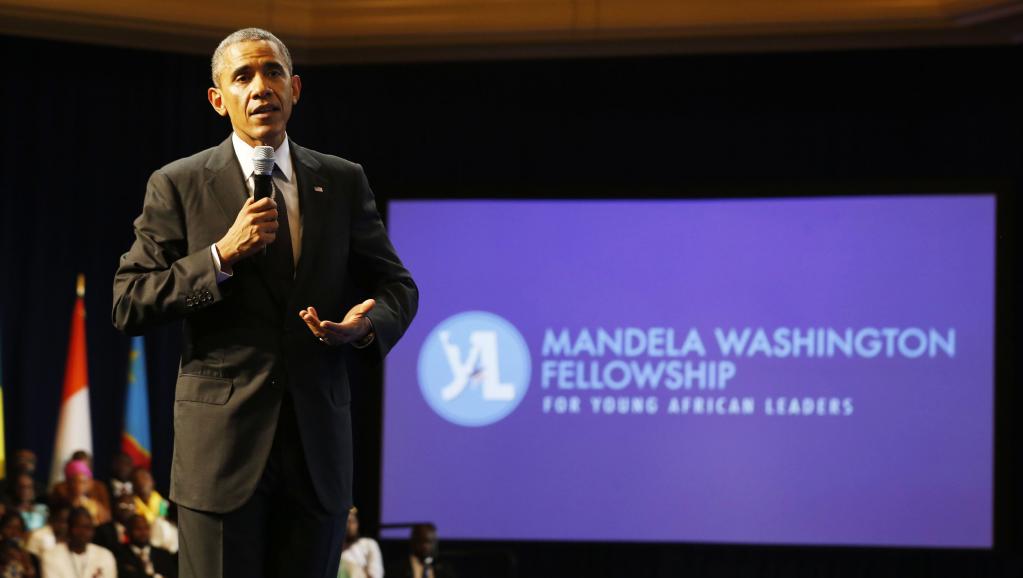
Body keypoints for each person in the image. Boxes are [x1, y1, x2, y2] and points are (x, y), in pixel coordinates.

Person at [111, 26, 418, 578]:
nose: (261, 87)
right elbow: (129, 301)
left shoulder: (342, 180)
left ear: (295, 88)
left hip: (316, 452)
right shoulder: (178, 184)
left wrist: (364, 328)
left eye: (273, 72)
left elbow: (399, 286)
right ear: (218, 99)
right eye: (243, 76)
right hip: (221, 455)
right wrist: (220, 256)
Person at [39, 508, 116, 578]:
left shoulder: (104, 555)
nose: (82, 532)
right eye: (78, 527)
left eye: (87, 528)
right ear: (69, 528)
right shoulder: (51, 556)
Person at [337, 508, 382, 578]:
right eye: (347, 521)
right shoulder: (334, 550)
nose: (350, 525)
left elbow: (376, 574)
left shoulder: (368, 544)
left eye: (353, 521)